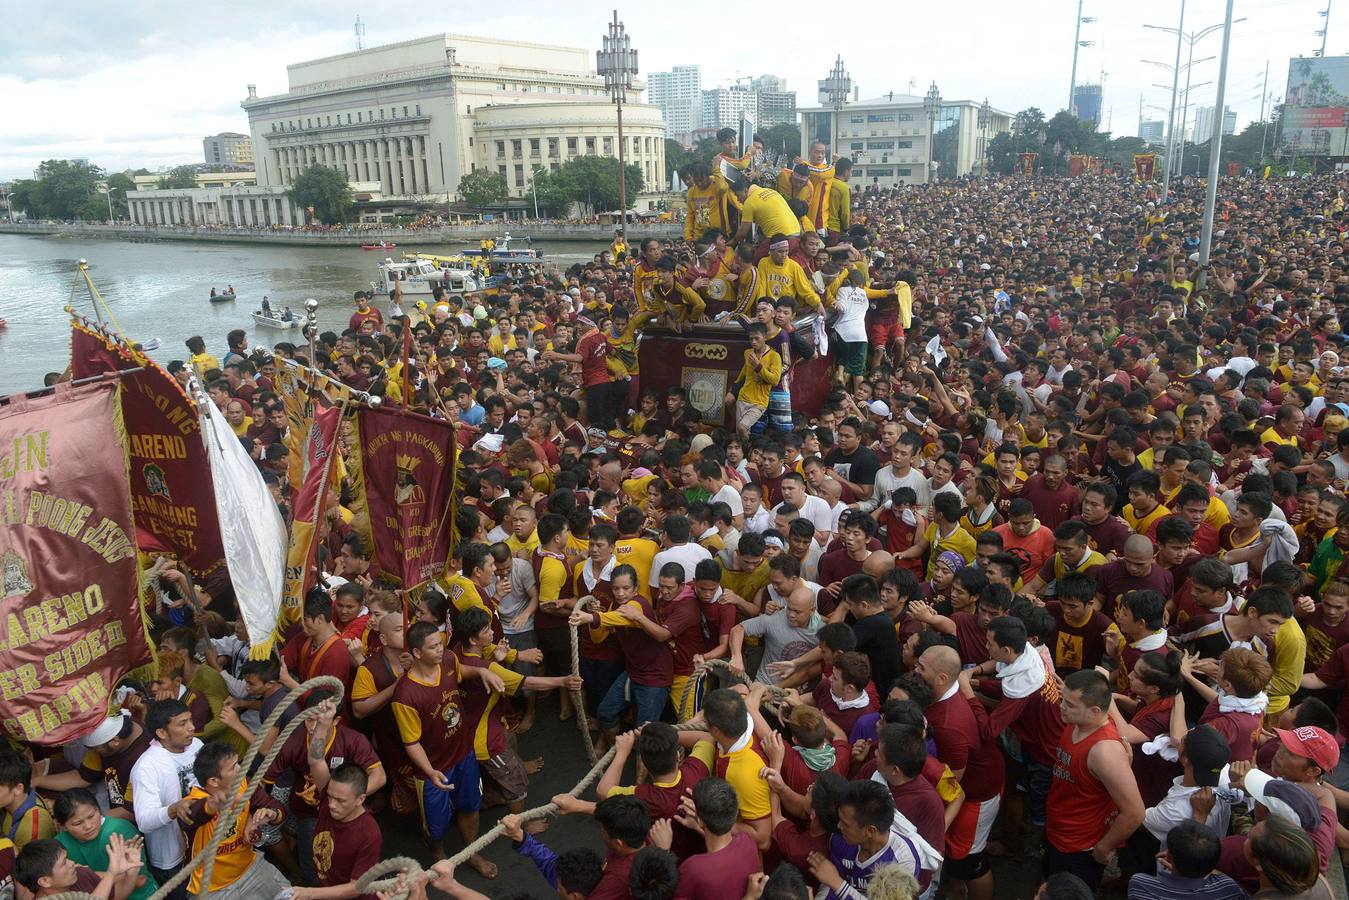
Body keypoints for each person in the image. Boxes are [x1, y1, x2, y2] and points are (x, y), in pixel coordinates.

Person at [1045, 669, 1145, 889]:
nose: (1062, 707)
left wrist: (1104, 847)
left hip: (1079, 845)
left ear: (1095, 711)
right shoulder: (1077, 722)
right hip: (1059, 829)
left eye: (1070, 705)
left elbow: (1135, 812)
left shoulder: (1105, 751)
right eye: (1064, 700)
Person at [129, 699, 202, 899]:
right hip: (173, 858)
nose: (192, 728)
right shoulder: (147, 767)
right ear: (162, 733)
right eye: (182, 723)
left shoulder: (197, 745)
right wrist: (173, 809)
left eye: (190, 720)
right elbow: (144, 820)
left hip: (203, 842)